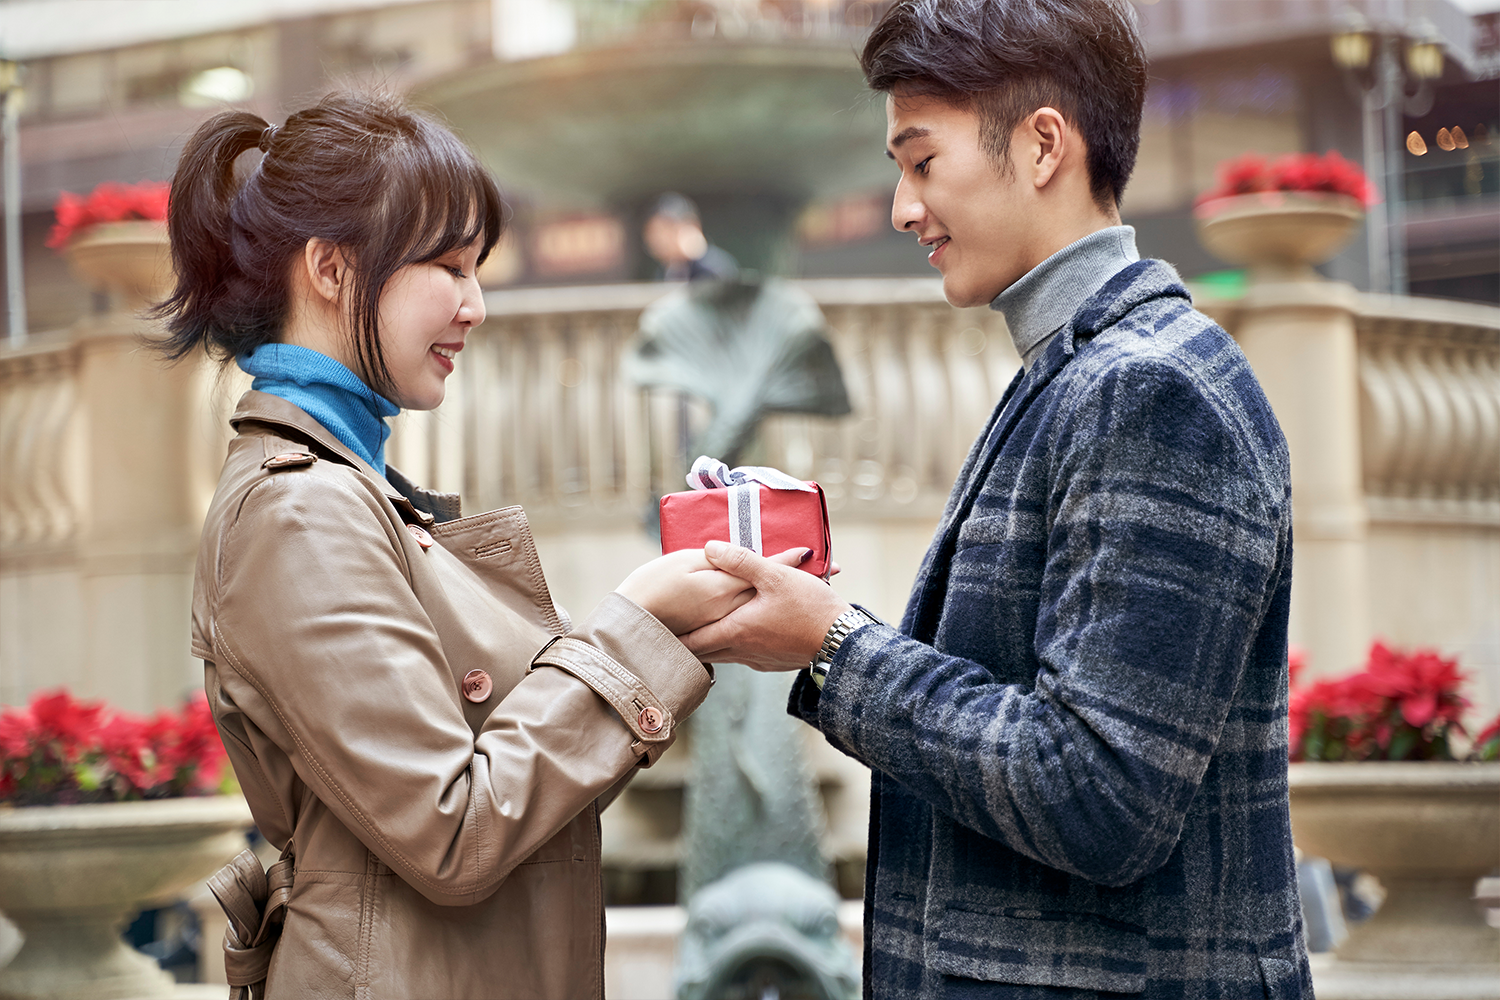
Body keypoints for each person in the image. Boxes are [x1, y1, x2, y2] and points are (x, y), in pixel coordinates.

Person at [680, 1, 1313, 997]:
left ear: (1043, 145)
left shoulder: (1147, 390)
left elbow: (1100, 794)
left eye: (921, 162)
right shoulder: (1080, 370)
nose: (901, 207)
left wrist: (834, 644)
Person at [157, 92, 765, 998]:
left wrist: (662, 629)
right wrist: (636, 625)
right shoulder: (301, 514)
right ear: (328, 267)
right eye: (448, 266)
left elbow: (536, 799)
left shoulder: (354, 489)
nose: (475, 306)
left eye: (477, 269)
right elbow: (454, 829)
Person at [642, 192, 739, 281]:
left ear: (691, 225)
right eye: (654, 233)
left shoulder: (715, 267)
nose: (660, 239)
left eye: (666, 229)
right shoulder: (664, 273)